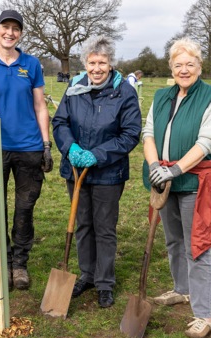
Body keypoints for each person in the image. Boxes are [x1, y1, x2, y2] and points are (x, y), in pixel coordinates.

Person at [142, 37, 211, 338]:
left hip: (193, 182)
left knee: (198, 247)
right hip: (163, 180)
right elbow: (149, 133)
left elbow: (207, 142)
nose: (184, 69)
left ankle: (203, 314)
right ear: (172, 68)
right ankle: (182, 290)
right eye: (178, 64)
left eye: (190, 64)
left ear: (199, 66)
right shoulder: (162, 95)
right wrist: (155, 167)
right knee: (174, 241)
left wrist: (176, 170)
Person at [52, 36, 141, 308]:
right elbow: (59, 122)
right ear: (85, 64)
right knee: (83, 224)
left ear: (110, 63)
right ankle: (87, 275)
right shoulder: (74, 87)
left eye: (102, 62)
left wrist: (97, 155)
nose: (97, 68)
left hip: (107, 173)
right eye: (92, 62)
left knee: (104, 228)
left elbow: (130, 134)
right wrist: (71, 149)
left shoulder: (124, 92)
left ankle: (104, 282)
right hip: (76, 169)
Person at [0, 10, 52, 291]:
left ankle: (19, 263)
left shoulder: (32, 64)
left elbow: (40, 106)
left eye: (15, 29)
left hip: (29, 148)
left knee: (24, 209)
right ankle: (2, 262)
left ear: (20, 34)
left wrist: (46, 144)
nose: (10, 33)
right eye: (5, 27)